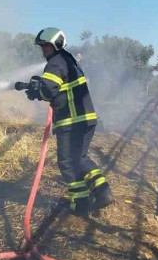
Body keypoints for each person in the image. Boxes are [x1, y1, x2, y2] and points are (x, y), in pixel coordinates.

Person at [21, 27, 112, 216]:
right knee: (80, 159)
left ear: (57, 43)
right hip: (86, 119)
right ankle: (102, 192)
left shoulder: (55, 62)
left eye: (46, 44)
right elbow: (56, 87)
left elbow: (49, 90)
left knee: (67, 163)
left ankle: (80, 203)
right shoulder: (68, 60)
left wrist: (37, 92)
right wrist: (38, 87)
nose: (43, 48)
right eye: (41, 45)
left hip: (71, 121)